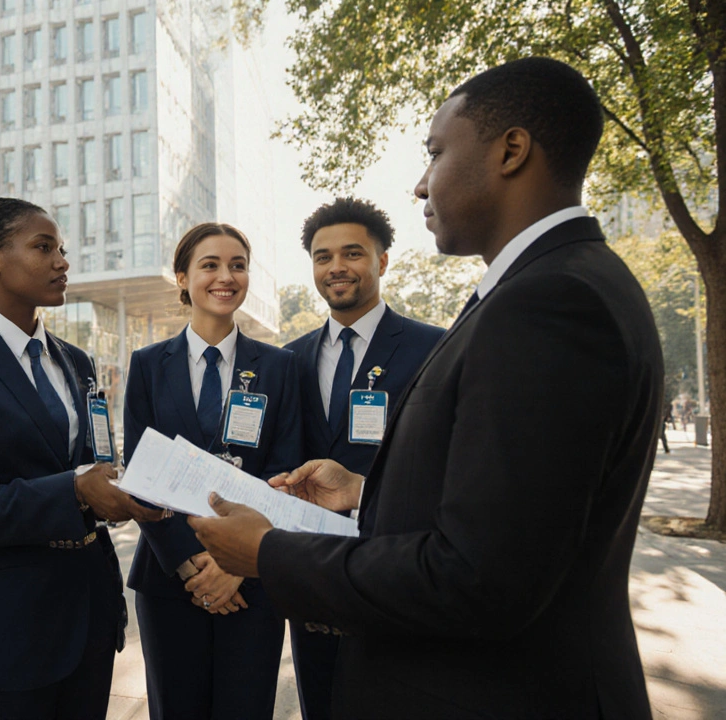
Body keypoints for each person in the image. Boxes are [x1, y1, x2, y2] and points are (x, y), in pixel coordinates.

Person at [189, 57, 661, 718]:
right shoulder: (544, 289)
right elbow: (499, 507)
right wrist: (364, 491)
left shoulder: (549, 304)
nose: (419, 183)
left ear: (511, 151)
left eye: (436, 152)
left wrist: (270, 552)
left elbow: (478, 578)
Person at [0, 197, 163, 719]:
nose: (62, 261)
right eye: (44, 247)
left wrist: (127, 491)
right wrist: (73, 490)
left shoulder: (78, 361)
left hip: (87, 617)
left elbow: (93, 462)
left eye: (62, 249)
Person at [123, 222, 303, 719]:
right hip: (169, 577)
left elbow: (284, 471)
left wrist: (234, 563)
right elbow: (141, 474)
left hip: (250, 581)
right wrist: (188, 561)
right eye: (210, 265)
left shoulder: (280, 367)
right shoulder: (147, 365)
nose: (226, 276)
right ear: (182, 277)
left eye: (238, 265)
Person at [282, 198, 443, 720]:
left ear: (383, 260)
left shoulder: (434, 349)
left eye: (352, 253)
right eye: (322, 256)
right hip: (315, 576)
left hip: (395, 572)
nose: (336, 268)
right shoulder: (290, 359)